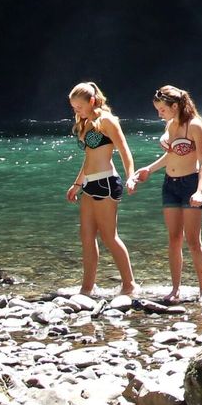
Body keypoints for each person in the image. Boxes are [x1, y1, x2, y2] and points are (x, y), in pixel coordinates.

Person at [133, 84, 202, 303]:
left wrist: (200, 190)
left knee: (193, 240)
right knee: (174, 239)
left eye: (162, 110)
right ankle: (176, 289)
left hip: (191, 184)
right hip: (170, 185)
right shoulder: (170, 124)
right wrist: (149, 169)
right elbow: (172, 155)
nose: (159, 114)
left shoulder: (195, 125)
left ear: (175, 106)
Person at [62, 81, 138, 296]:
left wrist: (130, 177)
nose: (76, 110)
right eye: (73, 107)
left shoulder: (107, 121)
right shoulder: (85, 122)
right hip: (89, 184)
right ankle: (87, 287)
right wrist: (77, 184)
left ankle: (129, 284)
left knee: (109, 236)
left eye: (79, 106)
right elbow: (89, 158)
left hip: (106, 182)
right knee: (86, 236)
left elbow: (124, 150)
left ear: (92, 101)